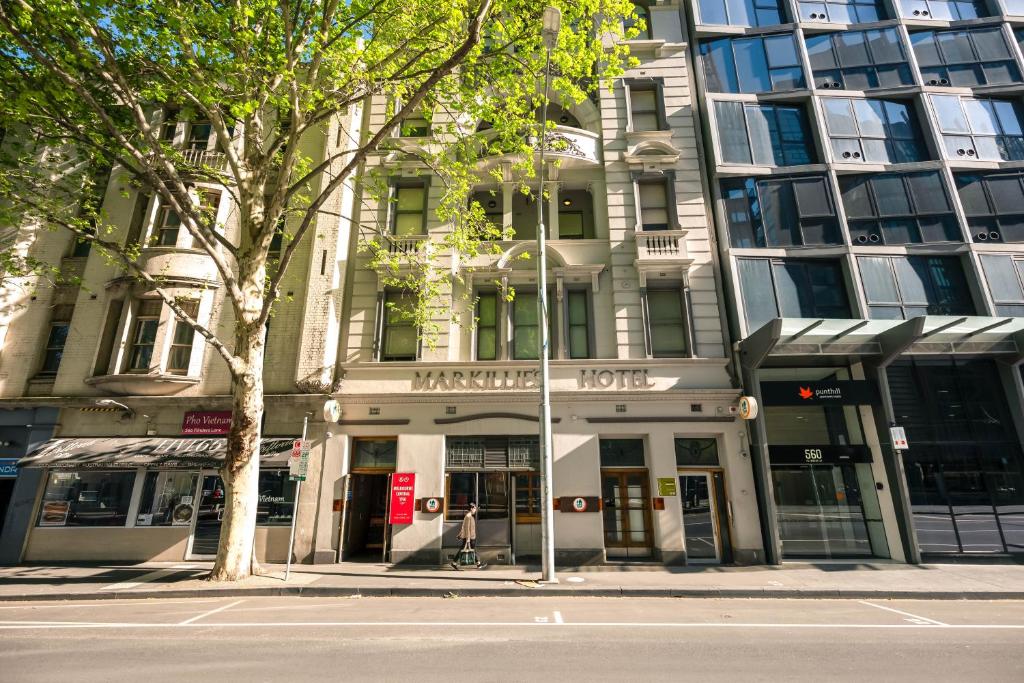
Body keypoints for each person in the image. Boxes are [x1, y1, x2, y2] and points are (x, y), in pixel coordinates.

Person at [450, 502, 485, 569]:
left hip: (470, 537)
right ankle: (478, 564)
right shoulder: (468, 516)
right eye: (474, 508)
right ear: (471, 508)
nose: (475, 510)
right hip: (470, 538)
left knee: (468, 550)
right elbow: (466, 528)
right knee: (470, 550)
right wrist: (468, 540)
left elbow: (463, 527)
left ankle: (454, 563)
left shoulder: (469, 516)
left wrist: (459, 535)